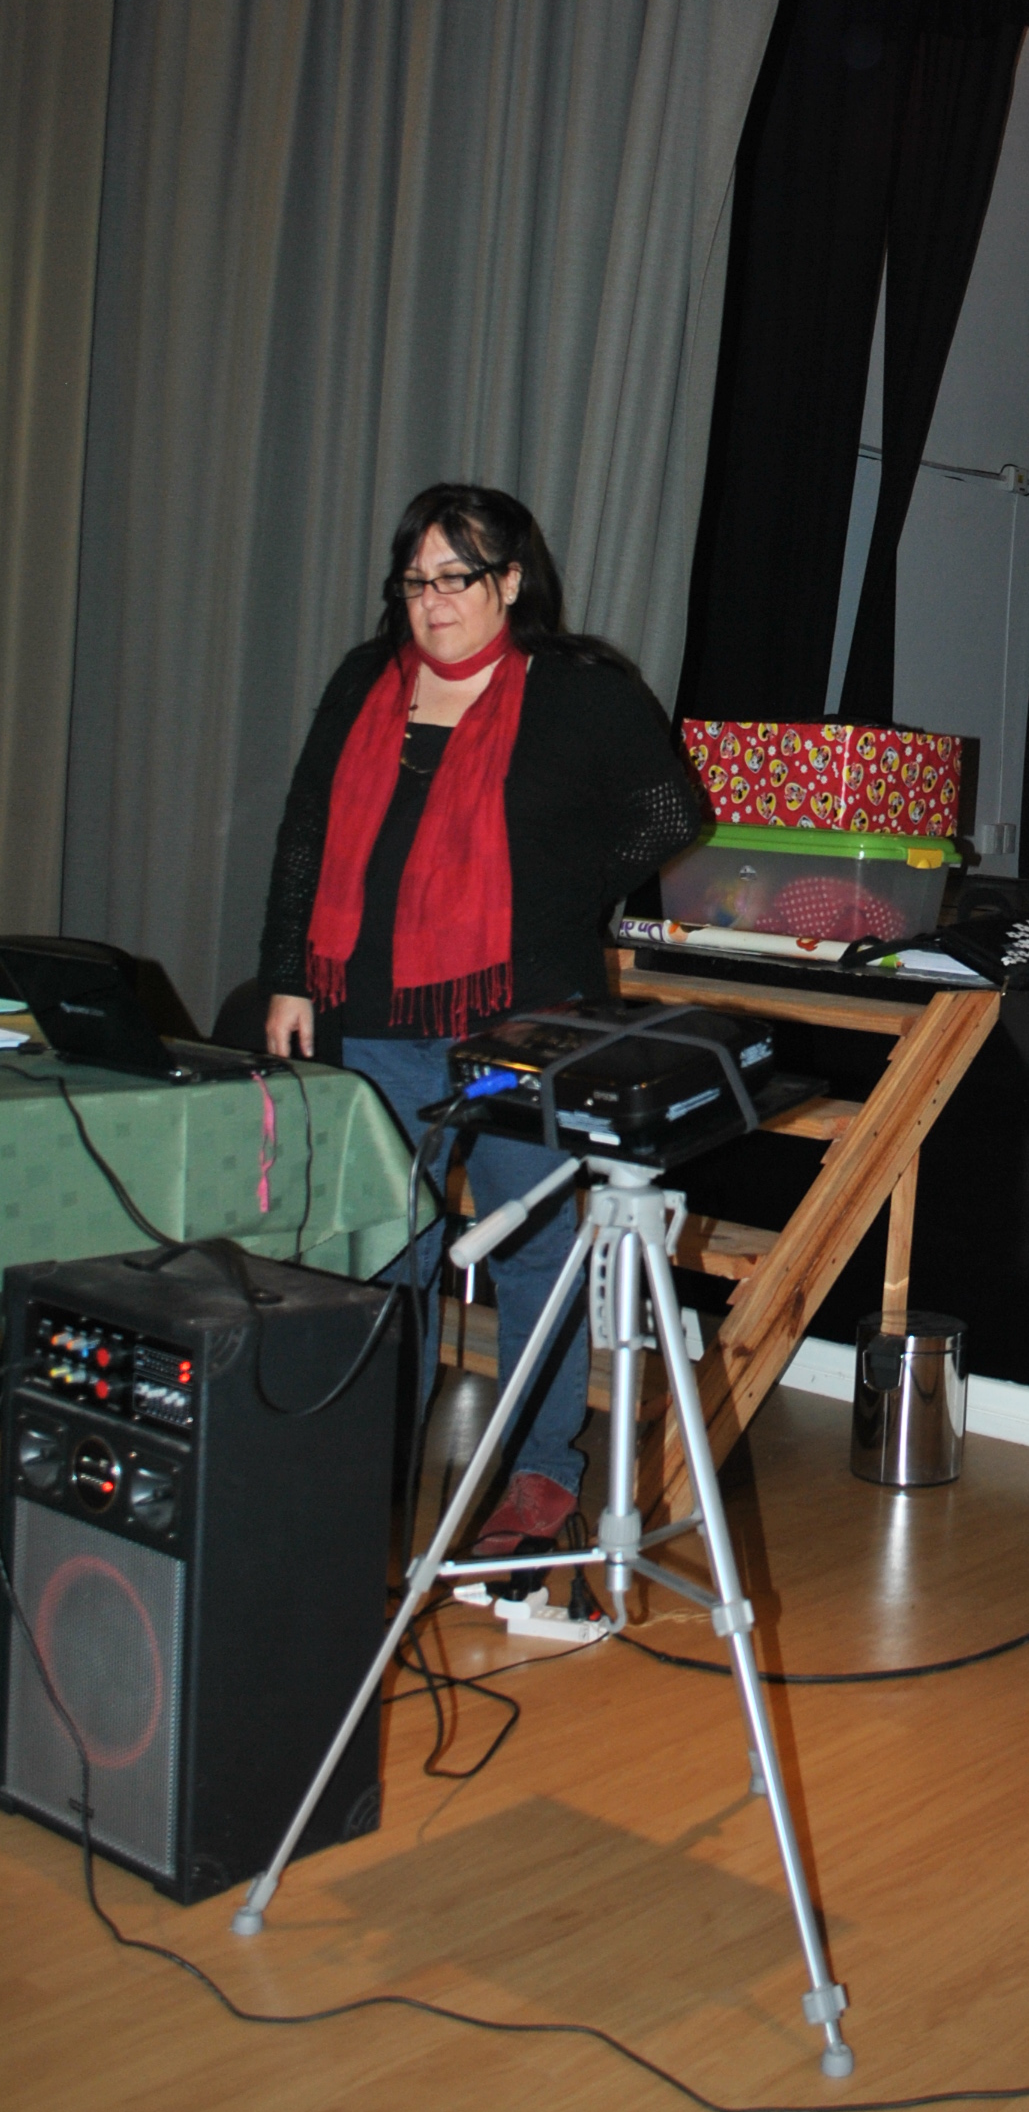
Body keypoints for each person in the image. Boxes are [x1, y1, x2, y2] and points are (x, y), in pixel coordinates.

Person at [260, 483, 701, 1553]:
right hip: (371, 1020)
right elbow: (308, 830)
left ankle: (541, 1478)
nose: (433, 599)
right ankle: (371, 1483)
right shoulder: (367, 680)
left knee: (531, 1253)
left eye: (456, 576)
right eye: (415, 580)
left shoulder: (579, 692)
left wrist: (555, 896)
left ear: (510, 581)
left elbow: (670, 813)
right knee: (389, 1255)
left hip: (525, 1026)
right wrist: (286, 976)